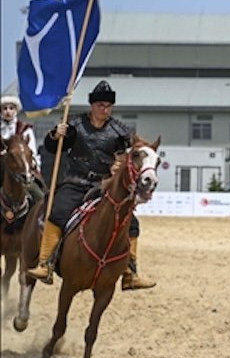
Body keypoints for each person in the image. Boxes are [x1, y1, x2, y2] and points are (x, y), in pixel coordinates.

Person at [27, 81, 157, 290]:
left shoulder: (120, 131)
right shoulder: (74, 125)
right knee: (58, 212)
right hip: (74, 182)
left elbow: (132, 154)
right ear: (92, 105)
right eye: (100, 105)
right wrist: (55, 135)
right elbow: (52, 148)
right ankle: (46, 263)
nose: (104, 109)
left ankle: (130, 272)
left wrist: (120, 163)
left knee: (131, 222)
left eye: (108, 106)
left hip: (102, 186)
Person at [0, 94, 45, 202]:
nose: (8, 111)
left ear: (16, 110)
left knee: (39, 196)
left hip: (21, 171)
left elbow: (32, 152)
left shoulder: (25, 129)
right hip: (2, 170)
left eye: (11, 108)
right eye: (5, 108)